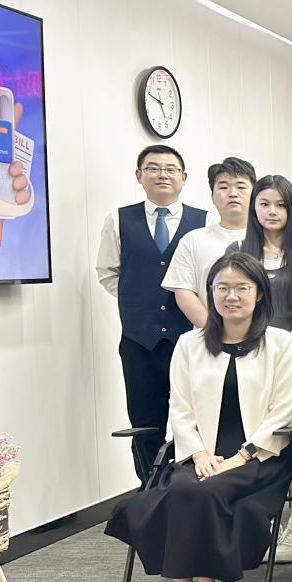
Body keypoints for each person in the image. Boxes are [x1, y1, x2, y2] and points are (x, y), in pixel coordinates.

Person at [105, 252, 292, 582]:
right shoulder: (189, 344)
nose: (232, 296)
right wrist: (198, 454)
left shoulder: (280, 344)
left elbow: (283, 411)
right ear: (209, 292)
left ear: (260, 293)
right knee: (184, 488)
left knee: (201, 493)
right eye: (222, 288)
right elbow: (179, 408)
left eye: (242, 288)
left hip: (258, 459)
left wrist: (241, 457)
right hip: (199, 455)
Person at [95, 145, 207, 478]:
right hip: (139, 341)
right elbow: (108, 272)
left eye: (170, 169)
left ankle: (193, 486)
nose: (162, 175)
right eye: (153, 168)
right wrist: (137, 302)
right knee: (145, 422)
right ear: (139, 175)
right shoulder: (118, 220)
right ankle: (150, 489)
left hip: (191, 338)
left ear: (183, 177)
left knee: (198, 417)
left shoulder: (204, 222)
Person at [231, 174, 292, 565]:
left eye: (280, 205)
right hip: (251, 355)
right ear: (254, 208)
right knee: (255, 436)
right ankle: (258, 521)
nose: (272, 211)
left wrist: (284, 346)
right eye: (264, 204)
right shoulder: (240, 250)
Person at [162, 157, 259, 328]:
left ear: (255, 194)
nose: (233, 193)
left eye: (241, 187)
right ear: (212, 196)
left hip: (267, 336)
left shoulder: (271, 238)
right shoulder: (193, 240)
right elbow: (184, 292)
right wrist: (215, 332)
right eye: (223, 187)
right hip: (210, 336)